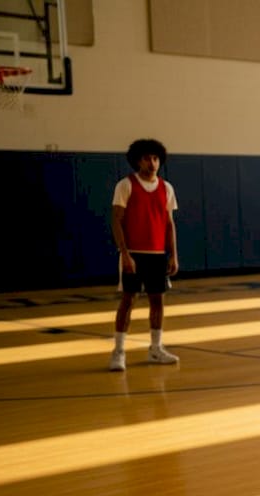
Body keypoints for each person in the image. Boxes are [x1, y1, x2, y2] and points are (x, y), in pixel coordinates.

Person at [109, 138, 180, 371]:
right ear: (138, 160)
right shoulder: (125, 185)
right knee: (128, 300)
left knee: (157, 301)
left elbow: (169, 224)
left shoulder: (167, 188)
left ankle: (155, 349)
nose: (152, 162)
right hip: (134, 254)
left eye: (156, 158)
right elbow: (117, 221)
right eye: (147, 158)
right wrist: (125, 253)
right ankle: (118, 352)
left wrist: (173, 255)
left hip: (157, 254)